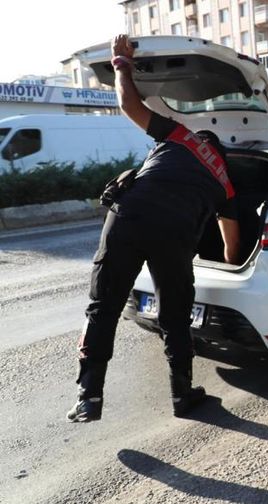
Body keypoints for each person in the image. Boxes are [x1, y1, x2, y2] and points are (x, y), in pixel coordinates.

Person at [67, 35, 241, 423]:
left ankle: (88, 396)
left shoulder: (180, 135)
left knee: (103, 306)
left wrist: (121, 63)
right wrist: (228, 267)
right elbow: (232, 248)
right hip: (175, 234)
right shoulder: (226, 183)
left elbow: (129, 104)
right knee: (175, 316)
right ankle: (182, 395)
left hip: (129, 215)